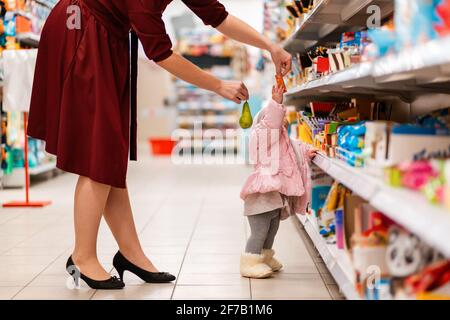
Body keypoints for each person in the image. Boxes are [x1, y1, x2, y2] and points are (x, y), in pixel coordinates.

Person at [27, 0, 293, 289]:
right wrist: (218, 85)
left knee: (109, 152)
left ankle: (131, 254)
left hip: (103, 34)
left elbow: (219, 17)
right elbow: (161, 53)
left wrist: (270, 46)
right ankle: (82, 256)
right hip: (79, 30)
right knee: (98, 148)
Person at [239, 84, 317, 279]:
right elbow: (272, 123)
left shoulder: (280, 140)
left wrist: (307, 151)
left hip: (274, 199)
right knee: (259, 232)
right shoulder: (262, 135)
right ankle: (250, 261)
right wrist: (276, 101)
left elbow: (295, 147)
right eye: (276, 121)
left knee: (271, 230)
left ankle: (264, 257)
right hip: (260, 199)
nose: (281, 125)